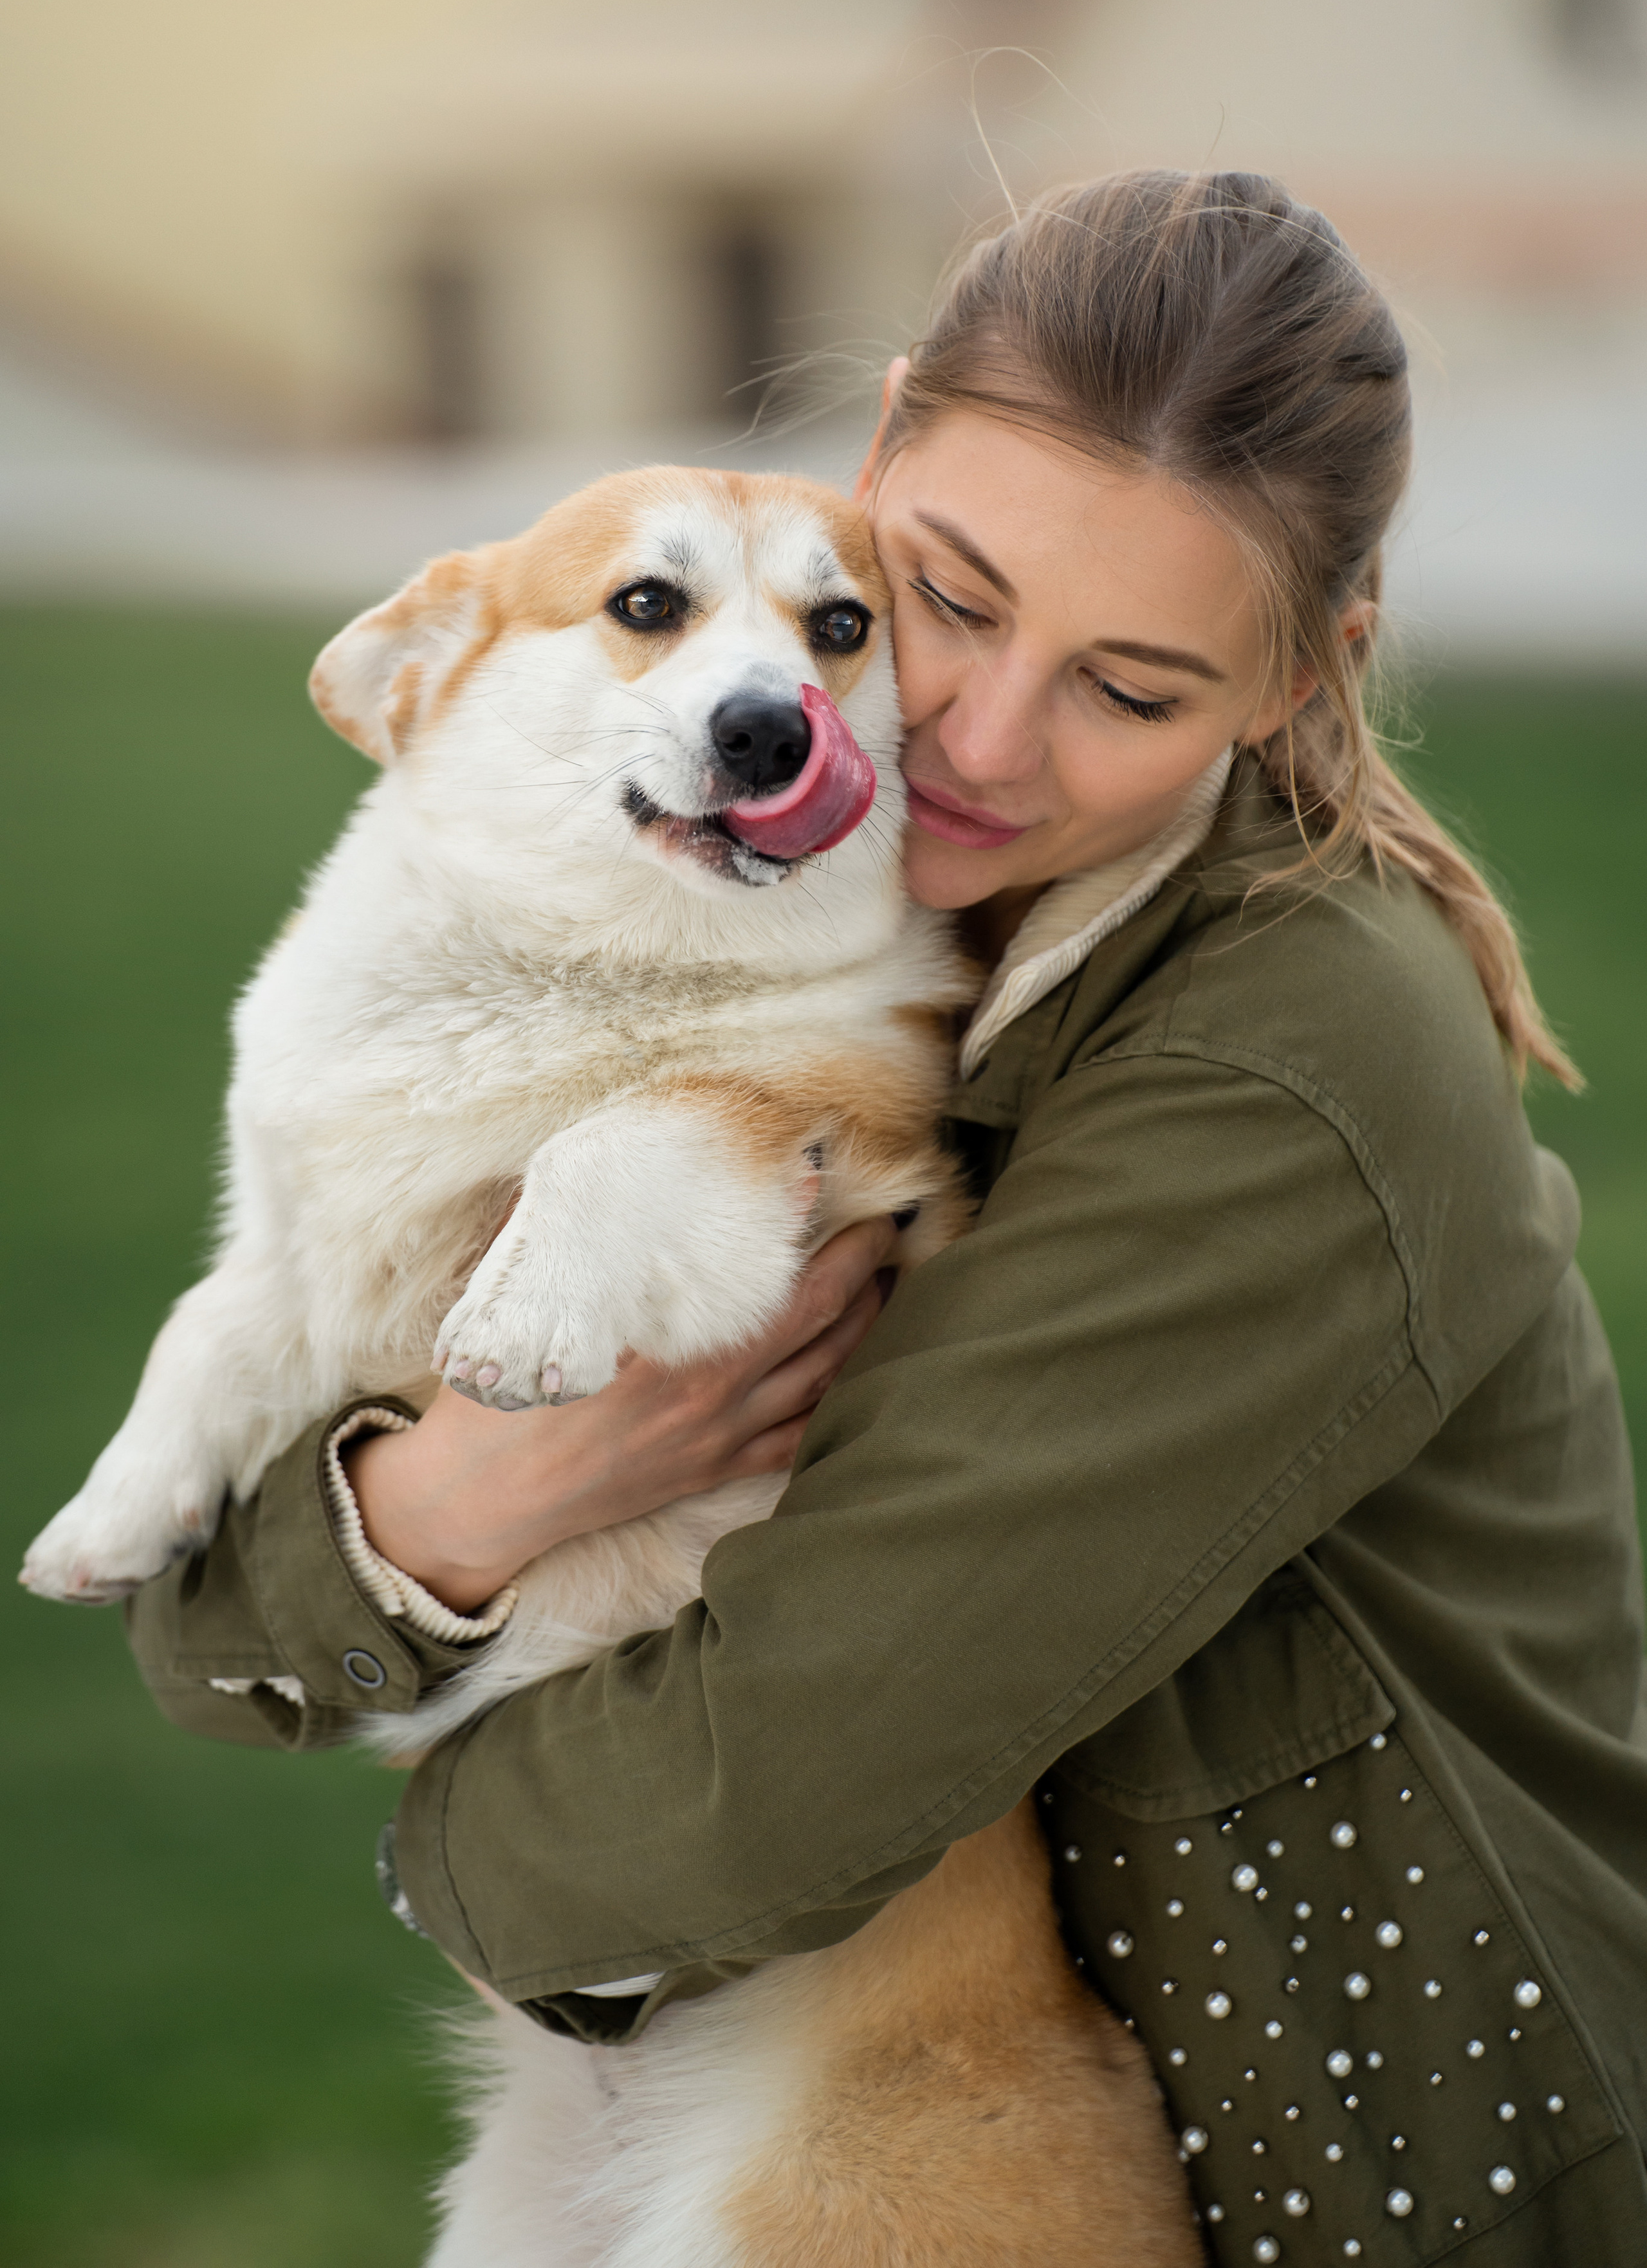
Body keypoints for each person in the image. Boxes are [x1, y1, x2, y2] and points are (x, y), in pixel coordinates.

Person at [127, 170, 1647, 2259]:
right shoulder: (767, 917)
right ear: (872, 463)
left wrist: (427, 1842)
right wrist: (454, 1508)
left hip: (1352, 2162)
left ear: (1303, 680)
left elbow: (767, 1784)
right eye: (944, 596)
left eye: (1133, 691)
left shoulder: (1283, 1061)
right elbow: (212, 1627)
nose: (977, 743)